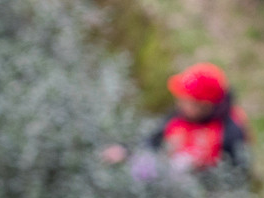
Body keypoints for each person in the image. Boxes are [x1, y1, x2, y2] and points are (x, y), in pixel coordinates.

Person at [103, 62, 251, 177]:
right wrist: (125, 151)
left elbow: (237, 174)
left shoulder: (230, 133)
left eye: (186, 100)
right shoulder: (181, 115)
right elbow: (153, 139)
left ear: (204, 106)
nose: (179, 103)